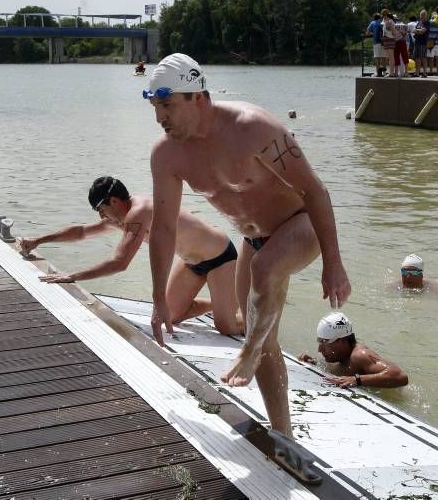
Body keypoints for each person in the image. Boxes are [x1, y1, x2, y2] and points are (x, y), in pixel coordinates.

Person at [144, 53, 351, 452]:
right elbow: (164, 229)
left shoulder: (253, 128)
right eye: (155, 108)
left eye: (167, 106)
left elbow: (316, 191)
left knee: (264, 272)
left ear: (198, 97)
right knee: (266, 335)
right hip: (252, 240)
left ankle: (248, 351)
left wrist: (333, 262)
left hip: (299, 224)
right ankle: (284, 435)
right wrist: (157, 298)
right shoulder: (167, 154)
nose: (161, 118)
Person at [20, 176, 244, 339]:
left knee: (227, 327)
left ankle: (254, 314)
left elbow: (120, 263)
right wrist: (39, 240)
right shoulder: (122, 216)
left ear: (114, 201)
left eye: (100, 209)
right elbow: (82, 231)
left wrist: (72, 276)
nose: (101, 216)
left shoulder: (139, 213)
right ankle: (222, 303)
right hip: (192, 262)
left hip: (220, 256)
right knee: (173, 315)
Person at [297, 312, 408, 389]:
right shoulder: (341, 355)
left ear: (341, 341)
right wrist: (314, 362)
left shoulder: (359, 355)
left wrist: (357, 380)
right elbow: (340, 370)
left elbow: (400, 376)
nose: (320, 349)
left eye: (325, 343)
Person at [413, 10, 430, 78]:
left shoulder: (427, 23)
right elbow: (414, 30)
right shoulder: (419, 22)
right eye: (421, 15)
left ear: (426, 16)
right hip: (417, 42)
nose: (422, 16)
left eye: (423, 15)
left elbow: (423, 31)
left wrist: (418, 31)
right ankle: (417, 72)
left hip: (423, 42)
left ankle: (424, 72)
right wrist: (418, 31)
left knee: (423, 57)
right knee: (417, 58)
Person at [380, 9, 397, 77]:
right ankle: (391, 72)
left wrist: (390, 35)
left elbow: (393, 32)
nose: (382, 17)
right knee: (389, 57)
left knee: (391, 57)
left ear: (385, 15)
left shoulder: (390, 21)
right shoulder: (386, 21)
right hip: (387, 40)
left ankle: (391, 73)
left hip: (390, 40)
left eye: (383, 15)